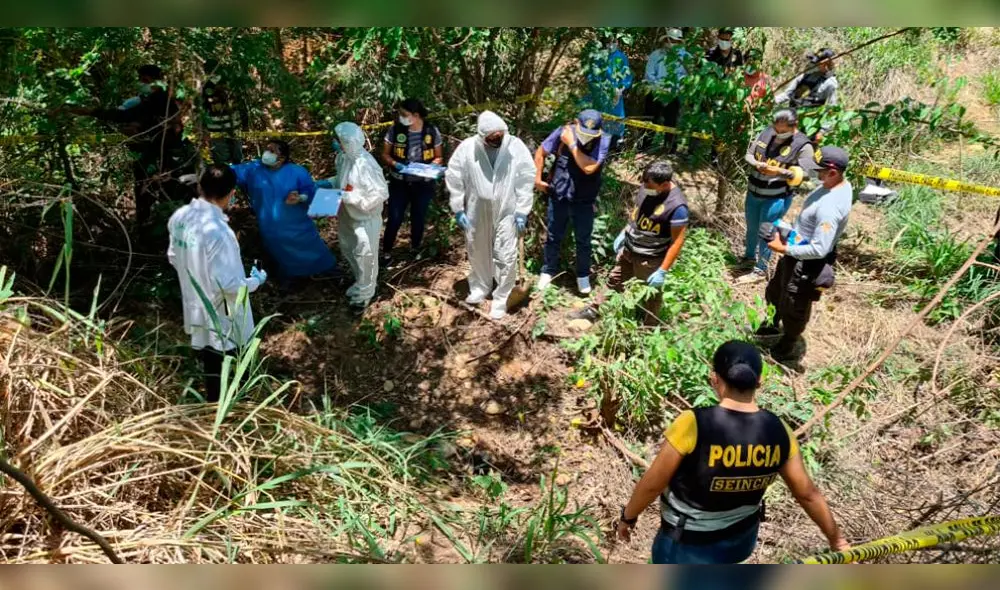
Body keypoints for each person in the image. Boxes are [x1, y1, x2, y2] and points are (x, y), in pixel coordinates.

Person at [616, 340, 850, 564]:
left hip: (687, 546)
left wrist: (628, 516)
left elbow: (652, 484)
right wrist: (837, 541)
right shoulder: (780, 430)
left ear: (714, 379)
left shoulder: (693, 423)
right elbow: (807, 494)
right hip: (739, 541)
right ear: (759, 382)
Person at [167, 165, 267, 403]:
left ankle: (212, 406)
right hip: (224, 312)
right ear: (232, 193)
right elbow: (230, 286)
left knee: (210, 360)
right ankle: (238, 409)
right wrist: (256, 280)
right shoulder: (219, 233)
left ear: (200, 187)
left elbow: (174, 256)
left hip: (196, 302)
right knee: (233, 361)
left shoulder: (182, 218)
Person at [759, 146, 853, 362]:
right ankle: (771, 325)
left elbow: (820, 248)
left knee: (795, 302)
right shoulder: (835, 186)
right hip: (796, 250)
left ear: (832, 172)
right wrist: (784, 229)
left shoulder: (830, 207)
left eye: (819, 170)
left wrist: (782, 248)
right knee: (776, 290)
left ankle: (788, 343)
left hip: (806, 262)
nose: (814, 174)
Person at [446, 111, 537, 320]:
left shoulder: (514, 147)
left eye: (500, 135)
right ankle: (480, 286)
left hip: (507, 210)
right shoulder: (468, 148)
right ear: (482, 136)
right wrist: (458, 208)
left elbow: (526, 177)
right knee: (477, 248)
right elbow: (454, 175)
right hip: (476, 210)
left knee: (505, 253)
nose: (497, 139)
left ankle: (502, 297)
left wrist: (522, 211)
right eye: (492, 137)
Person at [572, 160, 688, 324]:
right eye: (645, 183)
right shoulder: (647, 185)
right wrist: (625, 231)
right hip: (629, 250)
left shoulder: (677, 207)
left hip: (650, 259)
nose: (645, 188)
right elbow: (637, 213)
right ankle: (594, 311)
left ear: (664, 184)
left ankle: (649, 327)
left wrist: (662, 270)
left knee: (651, 295)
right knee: (615, 280)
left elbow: (677, 242)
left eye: (651, 186)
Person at [70, 64, 185, 225]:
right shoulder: (156, 99)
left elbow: (125, 116)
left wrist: (90, 111)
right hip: (157, 152)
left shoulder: (159, 99)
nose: (140, 83)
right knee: (158, 191)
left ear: (154, 81)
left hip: (157, 155)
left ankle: (150, 230)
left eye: (144, 80)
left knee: (151, 192)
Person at [231, 139, 337, 286]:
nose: (267, 153)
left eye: (272, 151)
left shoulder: (297, 172)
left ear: (282, 158)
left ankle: (329, 271)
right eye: (267, 149)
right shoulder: (254, 169)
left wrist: (300, 197)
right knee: (280, 254)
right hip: (270, 226)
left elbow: (310, 191)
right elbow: (230, 173)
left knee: (311, 248)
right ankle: (291, 278)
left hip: (297, 224)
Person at [534, 110, 612, 295]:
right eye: (583, 133)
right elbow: (541, 151)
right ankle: (548, 271)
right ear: (577, 124)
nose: (586, 138)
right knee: (553, 236)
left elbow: (589, 167)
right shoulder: (563, 131)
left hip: (584, 200)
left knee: (583, 241)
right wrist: (537, 179)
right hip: (559, 194)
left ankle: (583, 276)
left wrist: (572, 144)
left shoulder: (604, 141)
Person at [738, 109, 816, 284]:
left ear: (794, 126)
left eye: (783, 131)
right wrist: (757, 164)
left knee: (766, 233)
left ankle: (760, 270)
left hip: (776, 197)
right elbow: (749, 154)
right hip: (753, 192)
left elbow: (810, 173)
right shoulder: (766, 132)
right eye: (776, 129)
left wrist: (780, 172)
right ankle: (748, 258)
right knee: (751, 228)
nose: (778, 134)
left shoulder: (804, 145)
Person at [318, 122, 389, 310]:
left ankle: (365, 294)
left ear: (348, 142)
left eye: (338, 140)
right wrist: (325, 183)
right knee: (348, 248)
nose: (334, 142)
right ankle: (360, 282)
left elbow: (380, 193)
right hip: (347, 215)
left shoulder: (366, 164)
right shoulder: (343, 157)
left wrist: (349, 197)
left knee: (365, 255)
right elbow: (341, 179)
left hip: (365, 218)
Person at [380, 98, 444, 266]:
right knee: (394, 218)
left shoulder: (431, 131)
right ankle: (386, 252)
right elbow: (385, 154)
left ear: (416, 115)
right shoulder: (395, 130)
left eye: (404, 114)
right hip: (399, 182)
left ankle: (415, 248)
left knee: (419, 217)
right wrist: (395, 164)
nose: (401, 117)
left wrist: (432, 167)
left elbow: (438, 157)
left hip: (423, 184)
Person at [641, 28, 690, 154]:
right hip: (655, 92)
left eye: (675, 41)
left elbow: (687, 77)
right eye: (670, 40)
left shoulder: (685, 57)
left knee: (671, 121)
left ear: (680, 42)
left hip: (674, 95)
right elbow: (649, 74)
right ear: (665, 41)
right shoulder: (656, 55)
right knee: (650, 118)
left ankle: (670, 148)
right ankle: (645, 145)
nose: (672, 43)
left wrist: (676, 88)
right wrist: (659, 87)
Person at [775, 48, 839, 143]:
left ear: (826, 64)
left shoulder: (830, 83)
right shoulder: (806, 75)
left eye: (819, 63)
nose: (815, 64)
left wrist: (822, 131)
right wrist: (771, 101)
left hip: (809, 126)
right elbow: (787, 95)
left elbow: (831, 109)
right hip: (790, 121)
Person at [585, 35, 633, 150]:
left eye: (613, 42)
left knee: (616, 118)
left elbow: (626, 76)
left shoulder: (622, 57)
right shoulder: (599, 57)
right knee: (598, 119)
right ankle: (595, 145)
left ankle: (615, 146)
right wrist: (598, 88)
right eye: (608, 42)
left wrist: (620, 90)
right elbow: (592, 76)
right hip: (600, 95)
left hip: (616, 94)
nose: (611, 45)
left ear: (617, 42)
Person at [202, 58, 249, 165]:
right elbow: (202, 110)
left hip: (223, 128)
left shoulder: (207, 86)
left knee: (226, 160)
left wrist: (245, 124)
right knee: (232, 158)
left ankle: (232, 178)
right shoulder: (207, 86)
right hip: (220, 128)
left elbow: (202, 110)